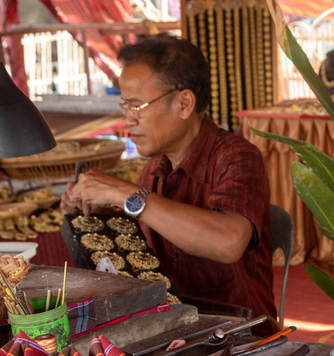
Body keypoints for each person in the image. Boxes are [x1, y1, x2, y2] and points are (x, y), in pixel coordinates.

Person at [61, 35, 276, 318]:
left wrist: (127, 195)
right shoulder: (155, 169)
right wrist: (91, 214)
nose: (129, 120)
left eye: (136, 106)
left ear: (185, 103)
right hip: (174, 327)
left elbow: (228, 242)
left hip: (239, 334)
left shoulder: (236, 156)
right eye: (124, 106)